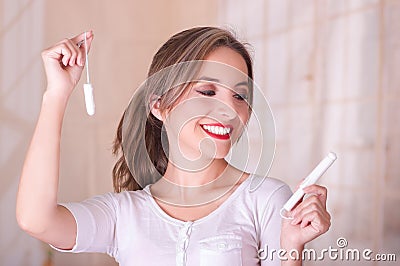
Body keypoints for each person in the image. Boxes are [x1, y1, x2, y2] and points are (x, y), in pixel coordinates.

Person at [16, 27, 331, 266]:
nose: (229, 110)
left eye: (240, 96)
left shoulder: (266, 198)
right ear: (159, 105)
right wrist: (56, 93)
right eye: (207, 91)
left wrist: (292, 248)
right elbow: (36, 220)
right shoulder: (124, 215)